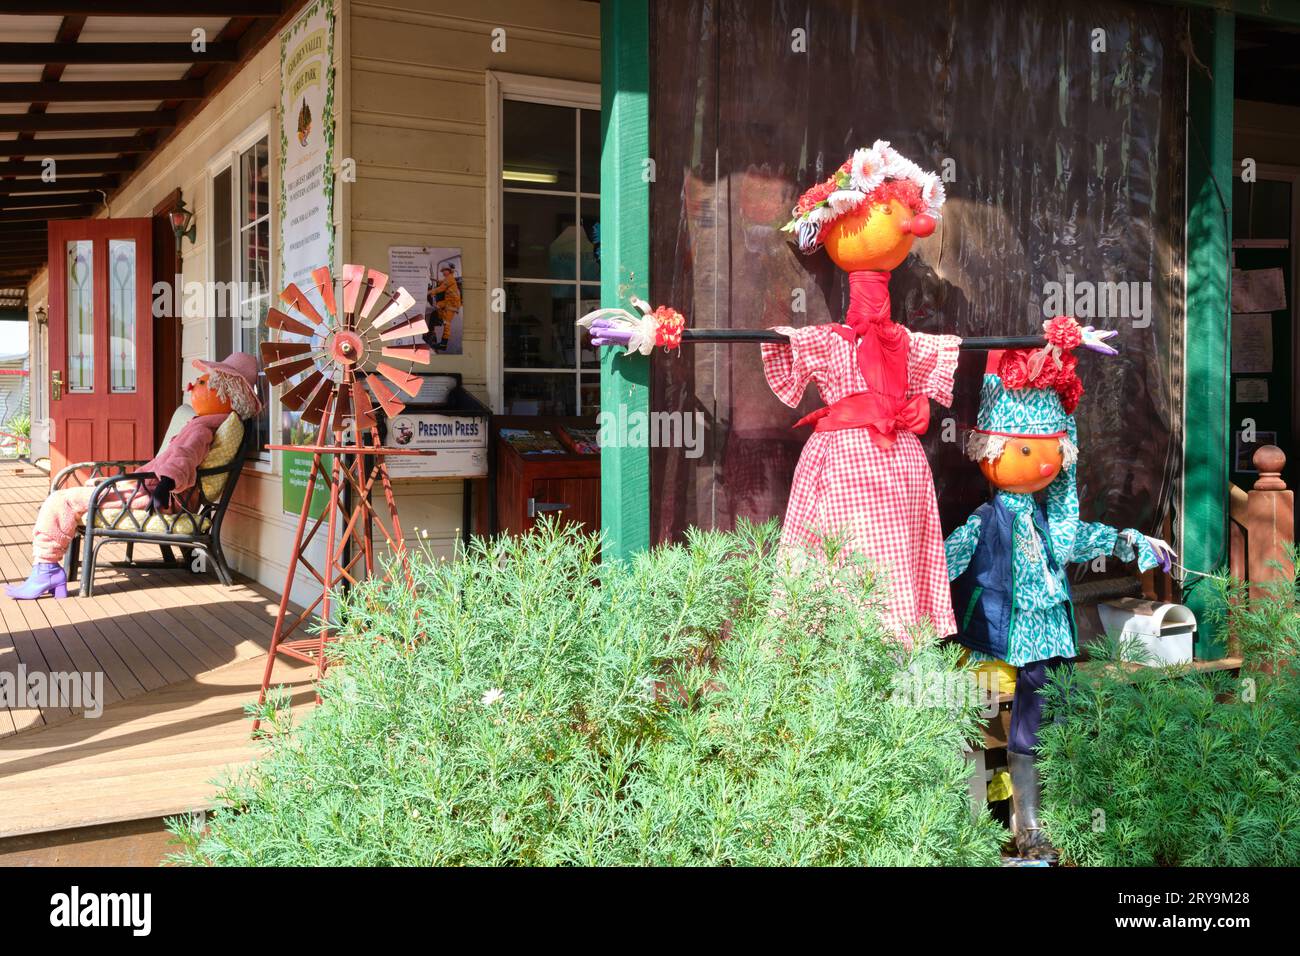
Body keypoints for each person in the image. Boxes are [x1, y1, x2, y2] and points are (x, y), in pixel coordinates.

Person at [945, 320, 1174, 859]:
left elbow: (1075, 534)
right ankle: (974, 827)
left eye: (1053, 453)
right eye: (1029, 452)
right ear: (989, 447)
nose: (1045, 464)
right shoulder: (985, 521)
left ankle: (1032, 829)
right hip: (993, 637)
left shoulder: (1052, 521)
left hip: (1046, 636)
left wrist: (1129, 540)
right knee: (970, 724)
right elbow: (945, 558)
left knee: (1037, 725)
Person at [6, 352, 262, 600]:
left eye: (203, 382)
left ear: (225, 392)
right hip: (149, 488)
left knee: (60, 501)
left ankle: (47, 570)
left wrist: (166, 484)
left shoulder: (202, 429)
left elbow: (185, 457)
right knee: (76, 494)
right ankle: (47, 570)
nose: (192, 385)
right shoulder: (205, 423)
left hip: (153, 494)